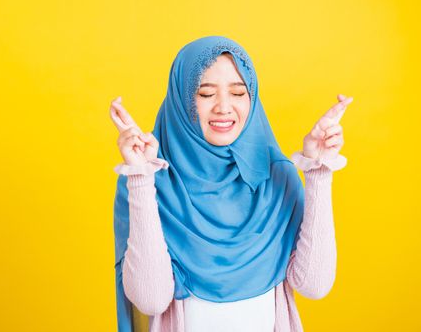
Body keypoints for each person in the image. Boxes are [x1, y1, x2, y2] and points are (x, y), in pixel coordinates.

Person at [109, 35, 353, 332]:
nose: (224, 107)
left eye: (238, 93)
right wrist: (141, 177)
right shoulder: (148, 181)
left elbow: (314, 286)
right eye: (205, 93)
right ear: (181, 98)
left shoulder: (277, 177)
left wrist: (319, 172)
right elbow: (151, 300)